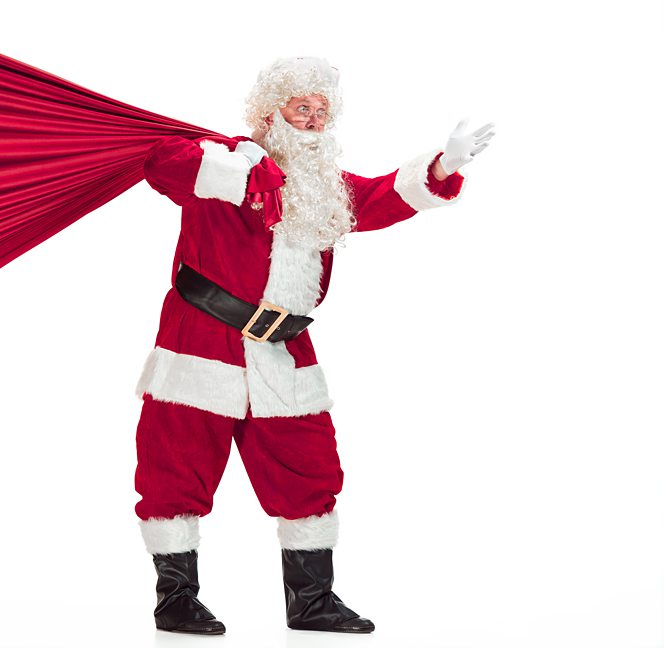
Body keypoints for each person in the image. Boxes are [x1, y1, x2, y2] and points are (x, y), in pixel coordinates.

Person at [133, 56, 494, 635]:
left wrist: (443, 163)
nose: (313, 119)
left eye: (321, 110)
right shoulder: (225, 162)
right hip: (202, 341)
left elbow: (378, 198)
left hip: (283, 350)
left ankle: (312, 602)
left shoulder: (323, 188)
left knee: (309, 466)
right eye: (302, 107)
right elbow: (162, 165)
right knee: (177, 465)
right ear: (270, 114)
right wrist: (251, 173)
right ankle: (175, 600)